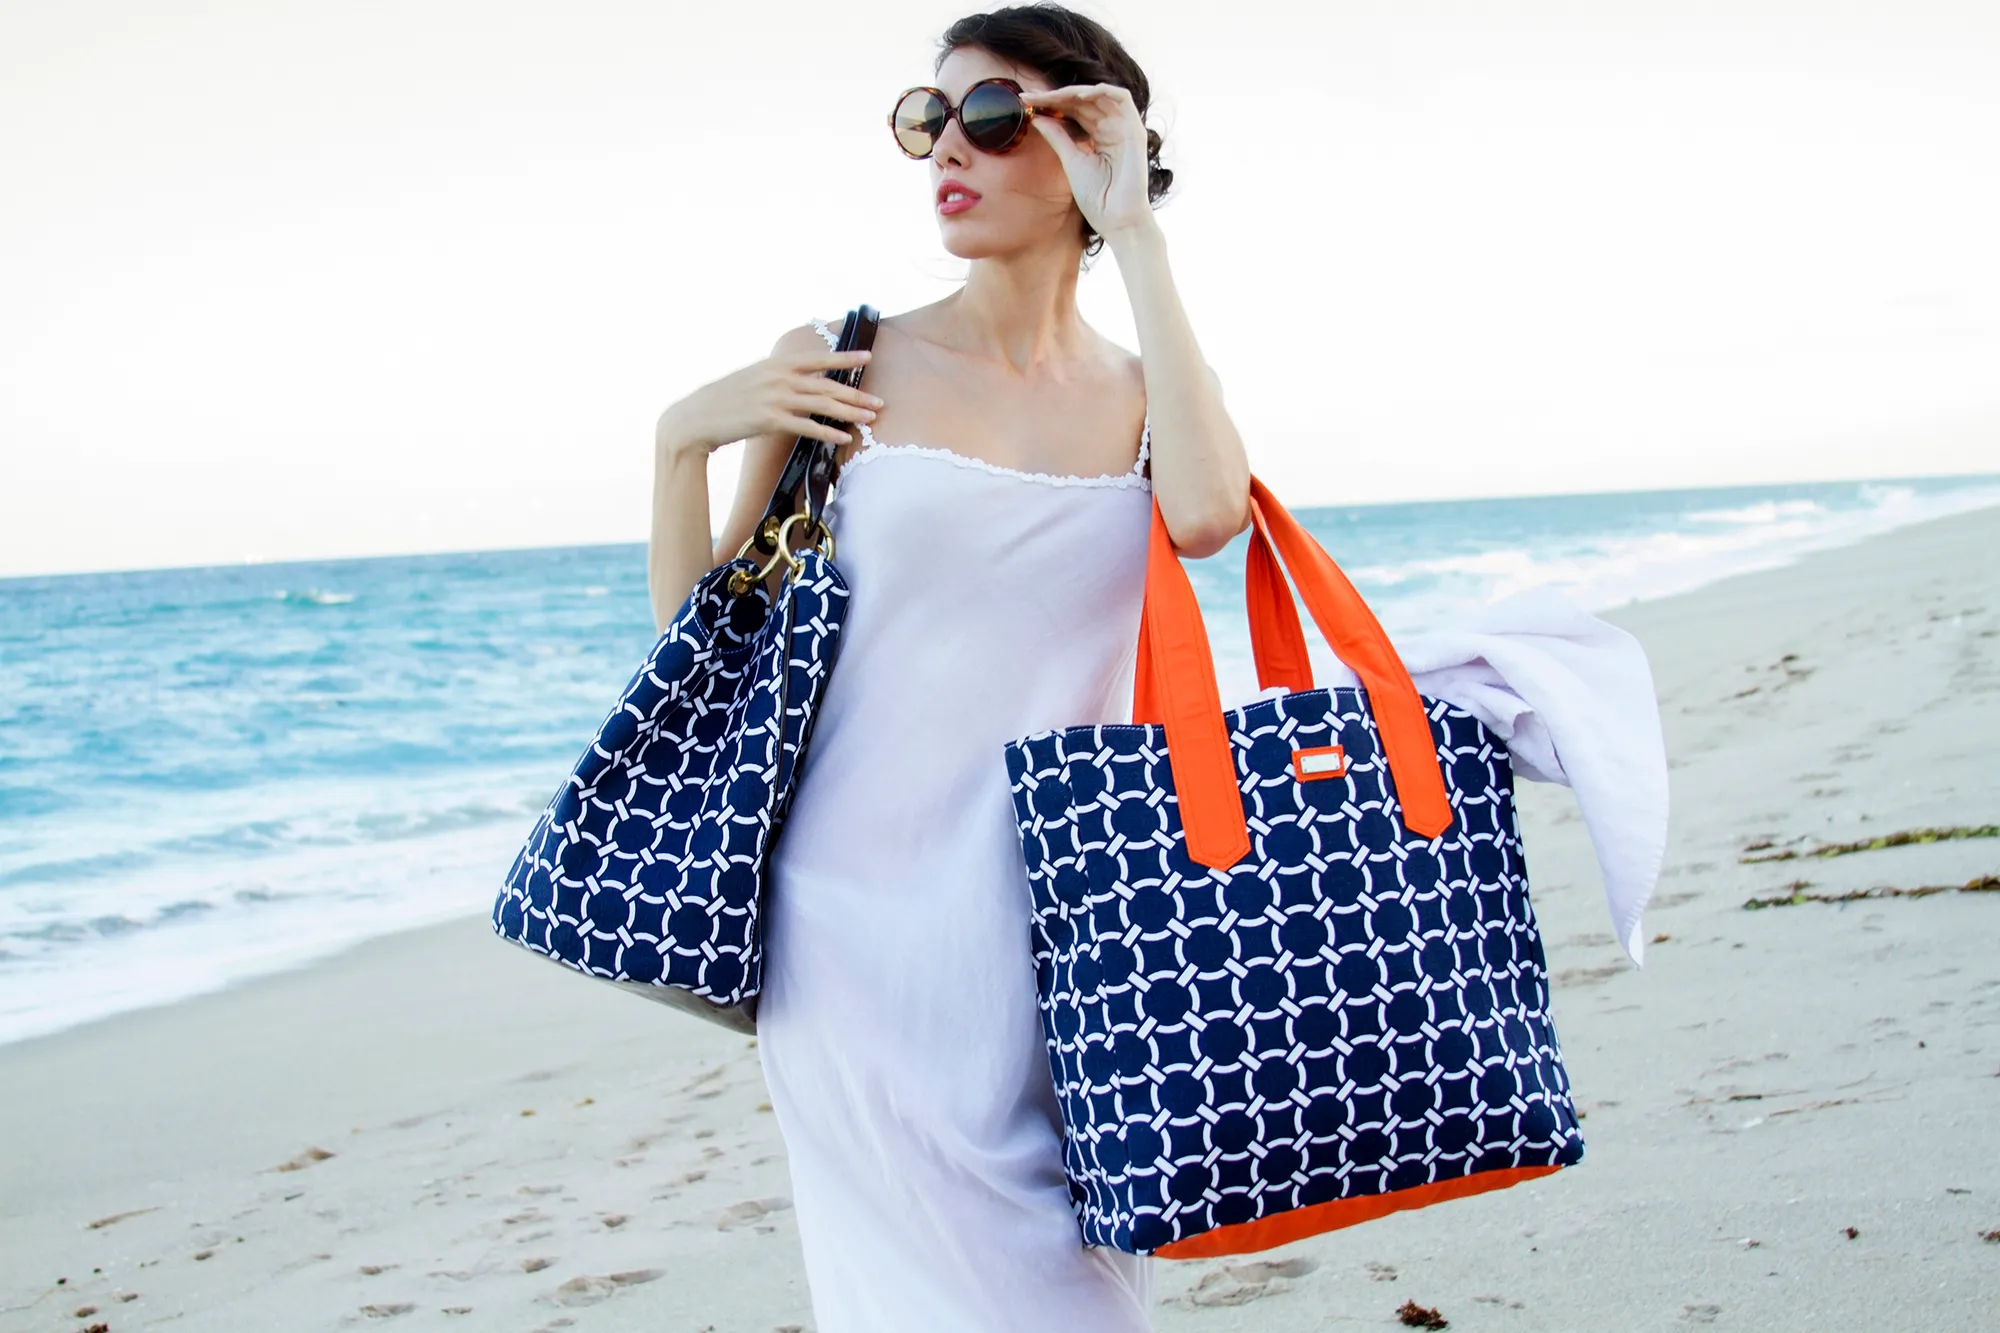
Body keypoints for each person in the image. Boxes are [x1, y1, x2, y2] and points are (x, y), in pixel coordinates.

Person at [645, 6, 1250, 1327]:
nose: (948, 151)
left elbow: (1211, 517)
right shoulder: (845, 356)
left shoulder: (1154, 387)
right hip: (852, 925)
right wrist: (680, 442)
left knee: (1085, 1291)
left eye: (991, 116)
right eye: (930, 120)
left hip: (1073, 923)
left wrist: (1137, 231)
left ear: (1090, 145)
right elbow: (704, 637)